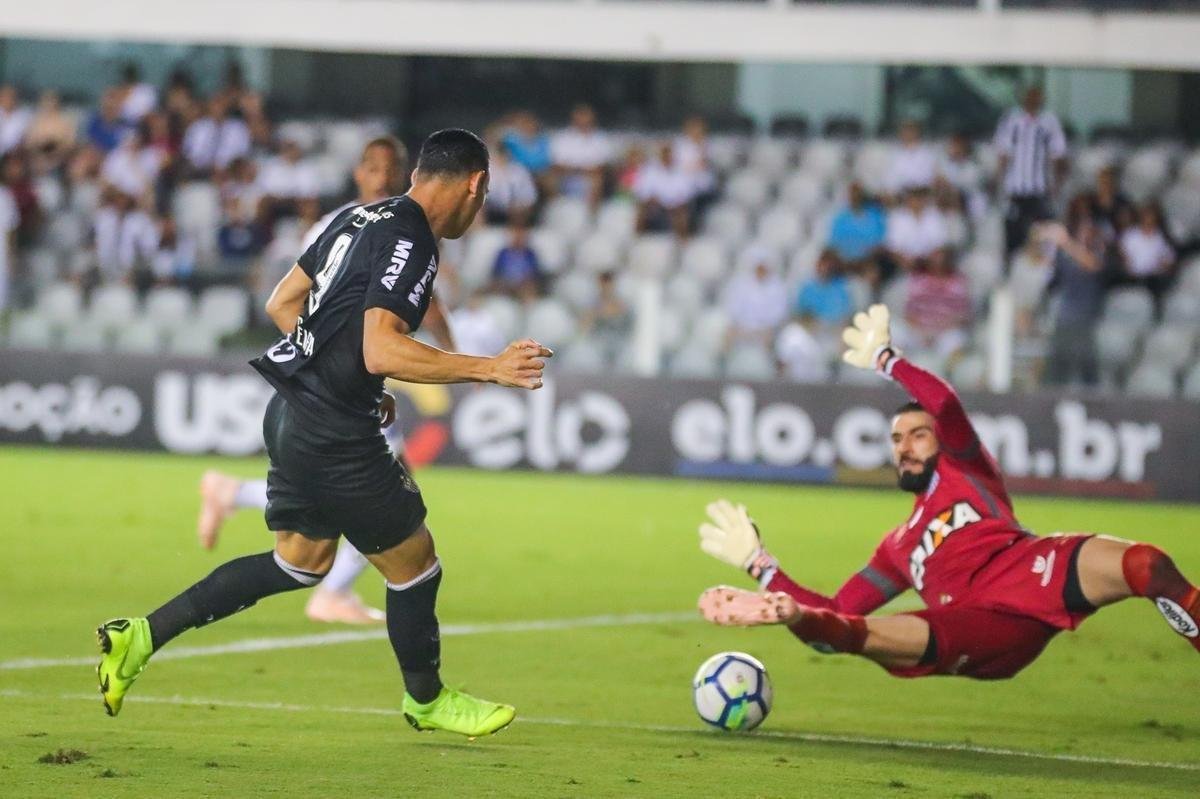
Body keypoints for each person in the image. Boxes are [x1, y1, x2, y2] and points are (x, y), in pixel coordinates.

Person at [97, 129, 552, 738]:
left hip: (289, 410)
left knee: (301, 561)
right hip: (332, 432)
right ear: (475, 185)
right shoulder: (414, 239)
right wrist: (487, 368)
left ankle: (141, 636)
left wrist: (354, 380)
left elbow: (284, 303)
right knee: (416, 562)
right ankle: (427, 698)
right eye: (486, 194)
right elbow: (380, 345)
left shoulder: (357, 216)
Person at [697, 303, 1200, 680]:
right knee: (851, 634)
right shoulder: (897, 548)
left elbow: (947, 404)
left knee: (1147, 566)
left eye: (918, 434)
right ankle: (788, 613)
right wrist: (763, 566)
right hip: (973, 623)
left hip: (1028, 569)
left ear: (939, 439)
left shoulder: (968, 470)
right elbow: (841, 610)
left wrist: (886, 360)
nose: (906, 448)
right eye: (897, 440)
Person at [198, 136, 459, 626]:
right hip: (333, 388)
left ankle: (232, 495)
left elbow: (424, 300)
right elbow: (303, 300)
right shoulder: (338, 224)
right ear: (358, 174)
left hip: (359, 379)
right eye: (373, 168)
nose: (382, 177)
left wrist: (444, 343)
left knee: (351, 499)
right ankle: (332, 591)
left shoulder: (410, 229)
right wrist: (327, 362)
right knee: (383, 489)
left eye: (392, 168)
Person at [994, 85, 1068, 258]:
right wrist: (999, 181)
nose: (1033, 99)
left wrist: (1056, 185)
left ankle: (1046, 268)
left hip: (1039, 188)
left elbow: (1058, 154)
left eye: (1037, 96)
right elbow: (1003, 153)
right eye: (1030, 95)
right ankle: (1012, 266)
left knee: (1044, 231)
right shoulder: (1011, 119)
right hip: (1015, 188)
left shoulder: (1049, 121)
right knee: (1013, 230)